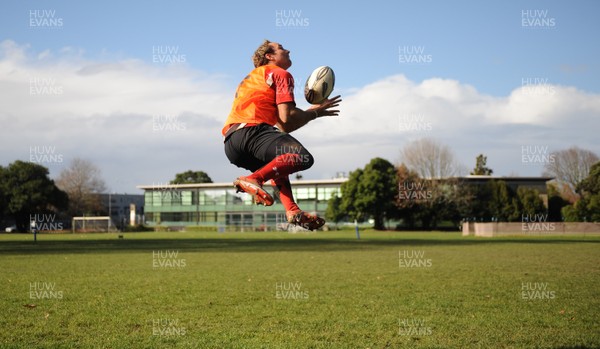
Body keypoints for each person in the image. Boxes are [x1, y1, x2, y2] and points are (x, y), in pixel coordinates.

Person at [222, 40, 341, 230]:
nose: (288, 50)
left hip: (232, 142)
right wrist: (316, 112)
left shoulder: (255, 77)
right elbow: (287, 118)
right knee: (302, 157)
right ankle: (254, 179)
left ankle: (292, 210)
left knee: (280, 161)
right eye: (281, 48)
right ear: (269, 56)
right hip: (252, 131)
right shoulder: (280, 73)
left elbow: (285, 126)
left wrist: (310, 113)